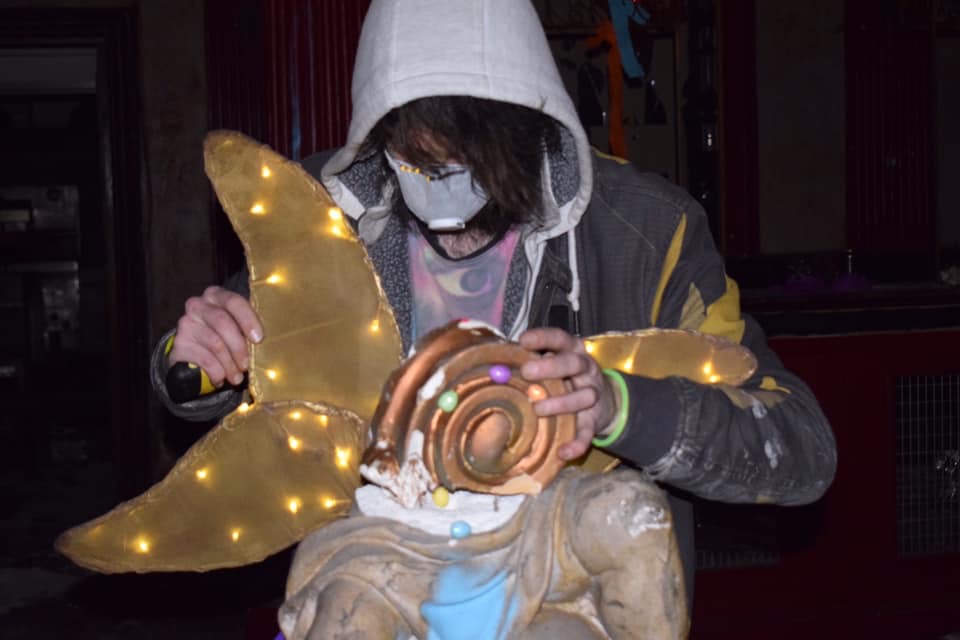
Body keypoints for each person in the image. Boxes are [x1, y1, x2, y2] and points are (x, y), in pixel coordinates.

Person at [151, 0, 836, 604]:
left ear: (533, 129)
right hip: (379, 599)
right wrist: (199, 364)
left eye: (471, 167)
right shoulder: (322, 216)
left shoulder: (649, 231)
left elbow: (800, 449)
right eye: (418, 165)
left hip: (569, 607)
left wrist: (618, 406)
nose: (446, 206)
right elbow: (218, 370)